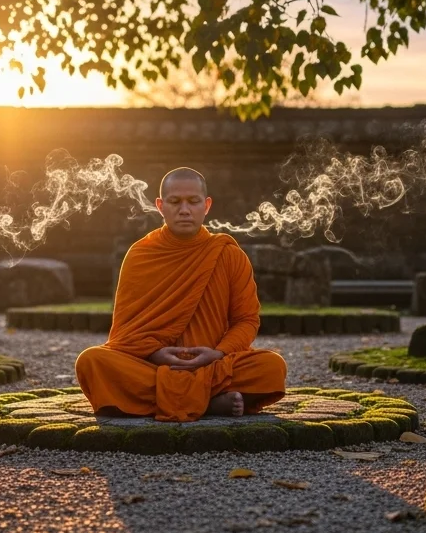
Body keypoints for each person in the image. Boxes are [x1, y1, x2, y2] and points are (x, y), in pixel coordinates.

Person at [74, 167, 287, 422]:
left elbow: (247, 320)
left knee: (272, 367)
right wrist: (154, 353)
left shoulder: (227, 254)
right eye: (175, 202)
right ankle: (209, 402)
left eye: (193, 201)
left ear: (206, 205)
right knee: (92, 361)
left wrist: (217, 353)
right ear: (161, 206)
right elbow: (124, 332)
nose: (184, 210)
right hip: (155, 365)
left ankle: (170, 399)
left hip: (213, 364)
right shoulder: (141, 255)